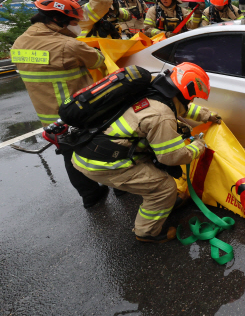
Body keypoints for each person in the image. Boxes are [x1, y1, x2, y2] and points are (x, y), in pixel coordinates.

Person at [72, 63, 223, 243]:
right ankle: (147, 232)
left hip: (92, 147)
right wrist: (198, 146)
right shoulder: (162, 115)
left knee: (156, 172)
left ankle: (165, 204)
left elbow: (181, 108)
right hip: (103, 163)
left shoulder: (154, 90)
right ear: (185, 93)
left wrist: (207, 115)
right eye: (192, 97)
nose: (192, 101)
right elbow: (172, 156)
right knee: (164, 187)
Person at [11, 0, 111, 208]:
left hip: (49, 118)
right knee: (105, 148)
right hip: (79, 111)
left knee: (70, 155)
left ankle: (90, 196)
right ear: (57, 19)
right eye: (72, 20)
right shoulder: (67, 45)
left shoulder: (18, 44)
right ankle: (123, 190)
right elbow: (98, 60)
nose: (76, 25)